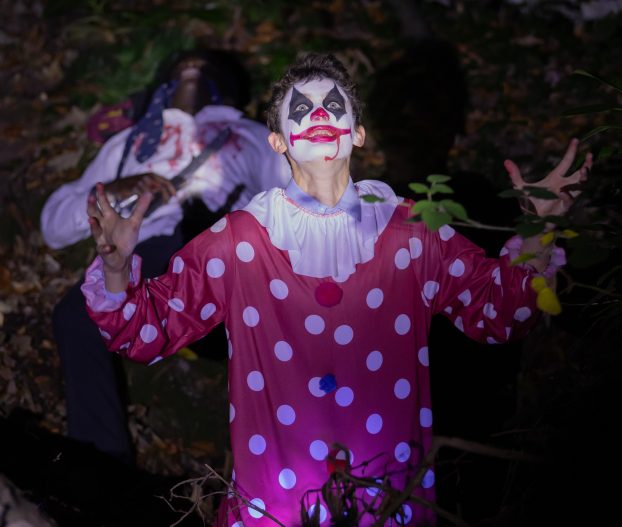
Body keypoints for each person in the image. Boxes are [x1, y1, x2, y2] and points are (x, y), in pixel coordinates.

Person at [81, 53, 591, 526]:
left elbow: (499, 313)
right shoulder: (239, 240)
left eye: (332, 105)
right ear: (278, 142)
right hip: (274, 508)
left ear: (358, 134)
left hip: (387, 503)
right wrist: (117, 269)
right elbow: (145, 330)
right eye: (300, 110)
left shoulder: (412, 232)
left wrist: (538, 234)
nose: (319, 114)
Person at [40, 48, 292, 464]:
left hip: (229, 264)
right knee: (76, 315)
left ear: (229, 92)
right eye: (182, 64)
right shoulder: (129, 143)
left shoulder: (250, 135)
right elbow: (53, 225)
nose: (193, 65)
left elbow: (298, 205)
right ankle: (100, 469)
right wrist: (115, 189)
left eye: (207, 67)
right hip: (149, 259)